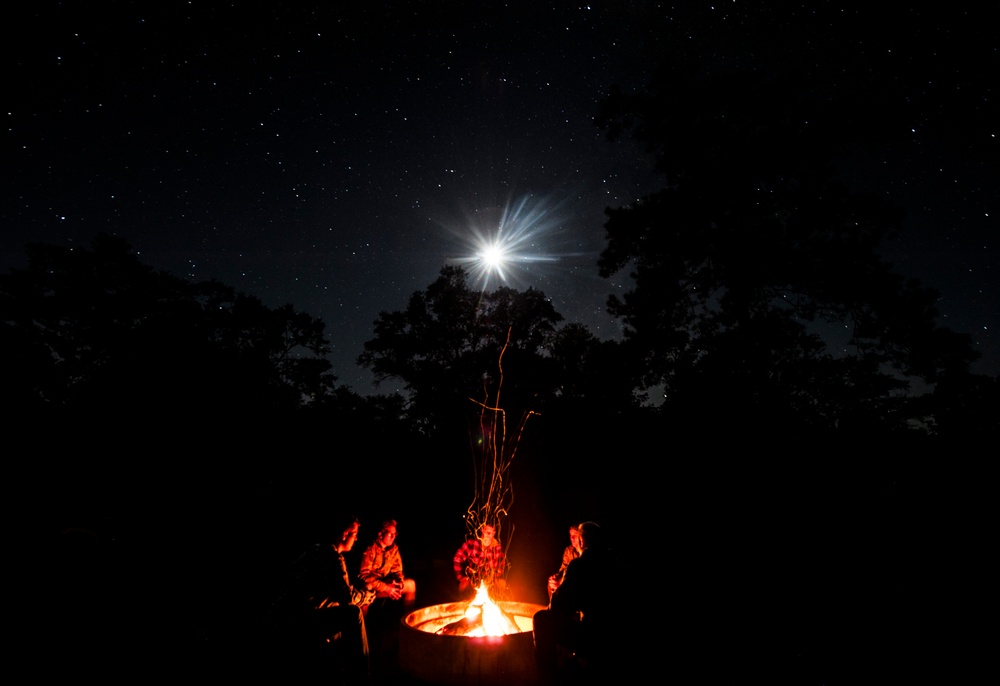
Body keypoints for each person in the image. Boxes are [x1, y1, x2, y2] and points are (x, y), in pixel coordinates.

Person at [269, 514, 376, 685]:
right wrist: (367, 595)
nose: (356, 539)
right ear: (344, 534)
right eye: (354, 534)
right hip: (300, 621)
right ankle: (362, 675)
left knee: (339, 608)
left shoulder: (317, 549)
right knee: (353, 613)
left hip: (292, 616)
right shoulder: (332, 557)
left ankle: (336, 661)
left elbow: (336, 590)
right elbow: (347, 597)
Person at [533, 522, 619, 685]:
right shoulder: (613, 561)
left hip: (594, 637)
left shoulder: (581, 564)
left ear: (581, 541)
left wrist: (560, 590)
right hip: (614, 634)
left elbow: (558, 607)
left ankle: (548, 680)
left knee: (541, 619)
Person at [357, 519, 416, 615]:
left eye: (395, 534)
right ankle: (363, 627)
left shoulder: (393, 549)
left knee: (410, 584)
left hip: (387, 584)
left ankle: (409, 619)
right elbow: (364, 576)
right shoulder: (369, 550)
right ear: (380, 534)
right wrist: (386, 588)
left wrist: (399, 581)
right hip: (372, 588)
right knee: (366, 589)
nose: (393, 537)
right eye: (390, 534)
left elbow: (397, 569)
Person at [452, 522, 507, 598]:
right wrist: (461, 577)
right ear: (482, 530)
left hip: (490, 582)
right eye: (486, 532)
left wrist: (494, 577)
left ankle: (496, 604)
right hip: (473, 581)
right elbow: (457, 558)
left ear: (494, 533)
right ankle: (465, 606)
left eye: (491, 533)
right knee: (463, 586)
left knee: (502, 583)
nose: (488, 536)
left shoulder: (497, 548)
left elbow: (501, 566)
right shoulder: (472, 544)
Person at [547, 523, 584, 598]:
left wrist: (561, 582)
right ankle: (553, 607)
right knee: (551, 584)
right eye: (570, 535)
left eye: (575, 535)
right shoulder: (569, 551)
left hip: (578, 586)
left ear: (581, 537)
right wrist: (556, 578)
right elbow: (563, 569)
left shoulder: (586, 553)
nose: (572, 538)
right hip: (567, 581)